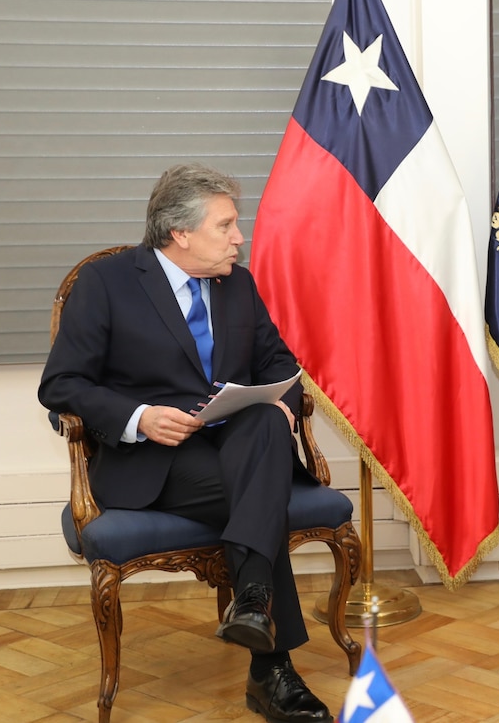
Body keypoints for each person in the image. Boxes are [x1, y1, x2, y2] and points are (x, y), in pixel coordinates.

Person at [39, 164, 332, 722]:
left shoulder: (236, 284)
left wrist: (281, 401)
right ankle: (273, 669)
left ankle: (251, 607)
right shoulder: (109, 284)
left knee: (268, 424)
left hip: (245, 446)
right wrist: (140, 416)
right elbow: (61, 385)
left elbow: (279, 364)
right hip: (155, 461)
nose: (238, 239)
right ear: (180, 233)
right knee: (260, 497)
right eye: (225, 226)